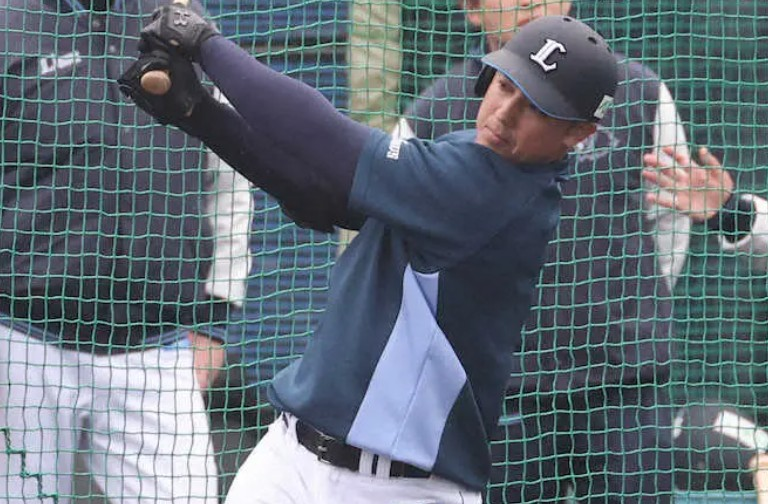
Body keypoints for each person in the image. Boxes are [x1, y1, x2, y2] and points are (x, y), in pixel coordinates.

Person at [119, 9, 618, 504]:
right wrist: (201, 115)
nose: (504, 113)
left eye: (535, 107)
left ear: (578, 134)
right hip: (287, 459)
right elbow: (321, 196)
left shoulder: (499, 191)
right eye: (505, 86)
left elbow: (325, 139)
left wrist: (208, 46)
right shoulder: (469, 151)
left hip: (401, 489)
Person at [398, 1, 694, 501]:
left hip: (624, 380)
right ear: (473, 10)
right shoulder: (435, 111)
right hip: (497, 388)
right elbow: (399, 244)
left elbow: (671, 221)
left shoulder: (639, 92)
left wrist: (626, 308)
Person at [0, 0, 253, 502]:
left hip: (156, 345)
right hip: (22, 341)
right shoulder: (9, 22)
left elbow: (228, 174)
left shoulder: (180, 21)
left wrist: (215, 314)